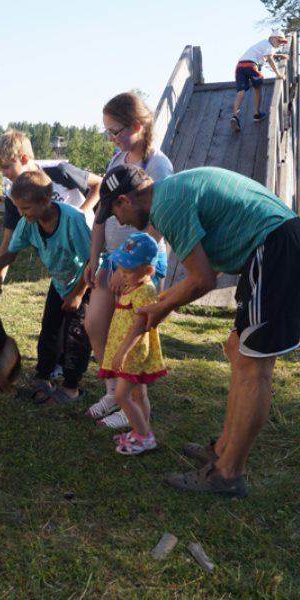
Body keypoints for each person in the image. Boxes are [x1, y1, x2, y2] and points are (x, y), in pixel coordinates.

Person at [95, 164, 300, 497]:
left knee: (254, 369)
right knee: (237, 350)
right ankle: (222, 449)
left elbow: (203, 279)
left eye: (114, 210)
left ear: (125, 200)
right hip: (267, 250)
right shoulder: (171, 194)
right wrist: (163, 302)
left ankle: (227, 473)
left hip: (276, 249)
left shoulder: (166, 206)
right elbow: (207, 268)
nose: (118, 220)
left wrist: (161, 306)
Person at [83, 92, 173, 429]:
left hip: (140, 267)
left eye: (116, 130)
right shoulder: (116, 160)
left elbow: (157, 221)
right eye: (107, 131)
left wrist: (130, 269)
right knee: (95, 324)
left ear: (137, 126)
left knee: (129, 335)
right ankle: (114, 392)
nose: (112, 138)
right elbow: (102, 213)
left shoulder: (157, 164)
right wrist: (95, 257)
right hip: (111, 259)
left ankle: (131, 401)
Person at [0, 170, 93, 405]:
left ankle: (71, 387)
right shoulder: (28, 223)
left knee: (75, 335)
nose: (20, 213)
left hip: (84, 283)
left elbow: (92, 262)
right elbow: (9, 254)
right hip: (59, 283)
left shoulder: (73, 220)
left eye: (25, 208)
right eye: (17, 207)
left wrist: (78, 294)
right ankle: (44, 376)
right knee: (49, 329)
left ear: (46, 201)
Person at [0, 130, 101, 304]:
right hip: (63, 267)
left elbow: (99, 184)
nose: (4, 173)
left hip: (86, 254)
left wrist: (81, 212)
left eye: (7, 166)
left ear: (24, 159)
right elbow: (8, 243)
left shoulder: (59, 172)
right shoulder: (14, 197)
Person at [97, 233, 167, 455]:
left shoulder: (145, 290)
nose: (123, 275)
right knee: (138, 394)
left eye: (128, 271)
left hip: (133, 350)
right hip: (128, 349)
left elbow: (140, 326)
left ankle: (144, 436)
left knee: (121, 395)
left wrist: (123, 352)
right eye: (121, 269)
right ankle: (141, 431)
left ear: (147, 271)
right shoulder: (132, 285)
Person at [230, 31, 289, 132]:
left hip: (240, 66)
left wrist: (279, 55)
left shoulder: (263, 44)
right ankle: (257, 114)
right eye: (279, 41)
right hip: (250, 65)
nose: (279, 44)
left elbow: (268, 55)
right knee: (258, 86)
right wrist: (279, 74)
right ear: (272, 38)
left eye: (282, 43)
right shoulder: (269, 46)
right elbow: (269, 59)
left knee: (241, 91)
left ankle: (235, 116)